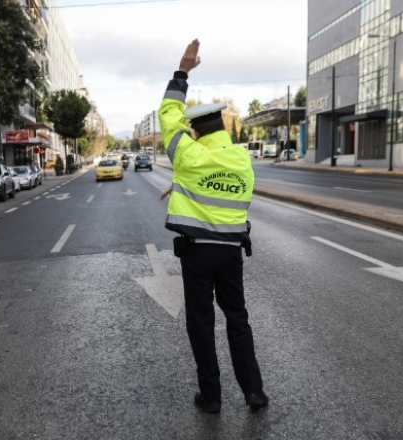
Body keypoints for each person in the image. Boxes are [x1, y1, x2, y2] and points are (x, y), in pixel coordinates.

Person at [159, 39, 268, 413]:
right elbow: (225, 187)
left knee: (202, 324)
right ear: (222, 126)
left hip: (197, 253)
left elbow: (168, 113)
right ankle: (254, 390)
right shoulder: (241, 159)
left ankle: (212, 396)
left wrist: (182, 72)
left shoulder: (187, 155)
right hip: (231, 254)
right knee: (238, 319)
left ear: (195, 131)